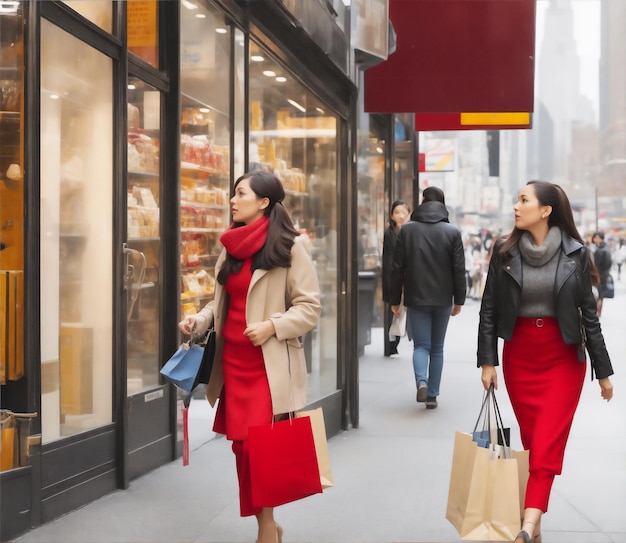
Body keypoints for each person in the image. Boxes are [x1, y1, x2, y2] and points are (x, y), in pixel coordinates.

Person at [178, 171, 321, 543]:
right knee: (241, 447)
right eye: (233, 193)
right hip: (233, 365)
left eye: (240, 193)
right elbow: (220, 300)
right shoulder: (230, 245)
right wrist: (200, 318)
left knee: (257, 448)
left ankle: (266, 528)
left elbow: (310, 307)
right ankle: (268, 524)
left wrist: (272, 326)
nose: (232, 200)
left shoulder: (291, 247)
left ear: (264, 203)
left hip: (267, 365)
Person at [477, 181, 614, 543]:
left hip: (563, 359)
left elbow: (588, 314)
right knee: (533, 441)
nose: (516, 206)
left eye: (524, 200)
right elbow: (489, 307)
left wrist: (604, 372)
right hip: (520, 356)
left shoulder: (576, 253)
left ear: (545, 210)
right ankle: (534, 528)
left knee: (548, 441)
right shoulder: (504, 251)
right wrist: (487, 361)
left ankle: (524, 525)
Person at [389, 186, 466, 409]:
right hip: (442, 298)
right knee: (437, 348)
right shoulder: (452, 232)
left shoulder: (407, 230)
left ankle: (421, 382)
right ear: (442, 204)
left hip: (416, 297)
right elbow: (458, 270)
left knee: (421, 346)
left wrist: (396, 300)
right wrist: (458, 300)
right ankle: (432, 395)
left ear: (423, 202)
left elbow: (397, 269)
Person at [382, 199, 411, 357]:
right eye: (396, 212)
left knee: (401, 312)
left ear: (408, 214)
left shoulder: (410, 232)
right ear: (392, 216)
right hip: (392, 277)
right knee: (392, 312)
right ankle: (390, 345)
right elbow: (388, 260)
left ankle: (395, 342)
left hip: (406, 279)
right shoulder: (389, 233)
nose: (400, 215)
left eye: (403, 212)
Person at [592, 231, 612, 316]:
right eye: (595, 238)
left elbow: (606, 262)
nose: (596, 239)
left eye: (598, 238)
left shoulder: (601, 249)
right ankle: (598, 309)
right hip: (602, 273)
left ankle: (598, 309)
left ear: (602, 239)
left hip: (600, 273)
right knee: (600, 291)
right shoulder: (603, 248)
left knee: (599, 291)